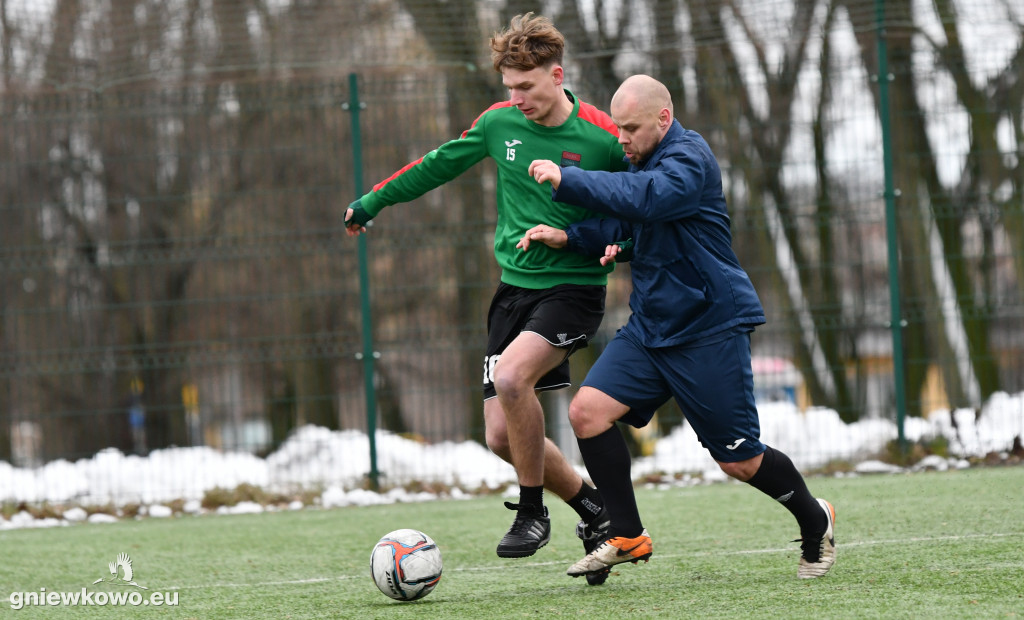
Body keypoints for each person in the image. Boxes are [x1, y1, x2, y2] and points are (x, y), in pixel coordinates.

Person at [518, 74, 836, 580]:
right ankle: (627, 534)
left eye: (631, 128)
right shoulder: (641, 159)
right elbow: (631, 222)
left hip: (708, 327)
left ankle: (815, 518)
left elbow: (649, 199)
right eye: (618, 128)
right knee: (587, 413)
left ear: (663, 119)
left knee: (739, 461)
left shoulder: (690, 158)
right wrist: (572, 237)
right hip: (651, 326)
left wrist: (568, 178)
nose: (622, 139)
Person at [343, 14, 627, 577]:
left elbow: (637, 200)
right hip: (513, 292)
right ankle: (596, 510)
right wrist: (374, 201)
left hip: (574, 290)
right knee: (501, 437)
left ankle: (532, 511)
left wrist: (612, 241)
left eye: (527, 86)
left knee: (514, 379)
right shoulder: (499, 124)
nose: (517, 98)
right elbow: (437, 165)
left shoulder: (602, 135)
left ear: (557, 76)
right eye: (509, 87)